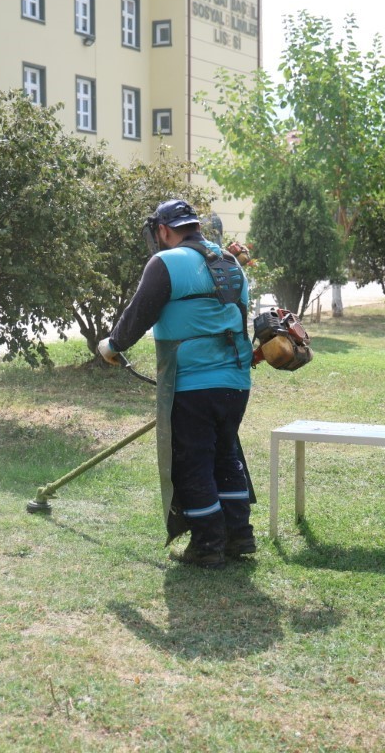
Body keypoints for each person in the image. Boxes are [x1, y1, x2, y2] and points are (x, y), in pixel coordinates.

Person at [98, 199, 254, 569]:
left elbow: (138, 313)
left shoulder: (165, 262)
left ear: (164, 230)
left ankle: (208, 544)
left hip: (192, 383)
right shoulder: (229, 262)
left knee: (193, 463)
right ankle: (239, 535)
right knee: (225, 454)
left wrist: (112, 346)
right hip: (236, 382)